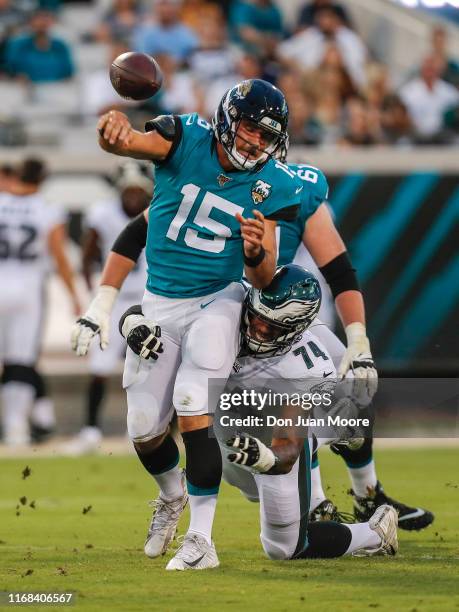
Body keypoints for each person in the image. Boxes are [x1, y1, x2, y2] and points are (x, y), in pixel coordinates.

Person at [71, 78, 302, 570]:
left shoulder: (274, 185)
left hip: (218, 300)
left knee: (193, 402)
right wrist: (114, 137)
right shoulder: (187, 138)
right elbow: (132, 141)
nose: (256, 141)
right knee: (142, 430)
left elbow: (262, 276)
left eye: (267, 134)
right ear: (225, 118)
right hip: (159, 302)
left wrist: (257, 250)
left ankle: (201, 541)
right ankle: (172, 495)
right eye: (249, 128)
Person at [120, 264, 399, 560]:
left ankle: (374, 532)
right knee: (240, 478)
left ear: (295, 329)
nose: (258, 330)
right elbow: (165, 312)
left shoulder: (303, 366)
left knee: (284, 548)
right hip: (231, 431)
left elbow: (287, 449)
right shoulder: (231, 304)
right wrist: (131, 321)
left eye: (271, 327)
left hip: (276, 437)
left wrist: (266, 458)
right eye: (256, 318)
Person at [275, 156, 434, 530]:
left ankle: (367, 495)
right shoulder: (221, 184)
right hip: (252, 325)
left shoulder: (302, 189)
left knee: (355, 390)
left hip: (306, 318)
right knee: (297, 405)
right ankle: (313, 504)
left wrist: (358, 339)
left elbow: (339, 270)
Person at [65, 162, 152, 455]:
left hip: (149, 300)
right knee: (99, 368)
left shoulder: (160, 211)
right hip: (115, 300)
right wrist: (95, 295)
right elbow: (88, 254)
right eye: (127, 190)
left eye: (137, 191)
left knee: (150, 369)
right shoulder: (103, 213)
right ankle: (90, 431)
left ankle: (151, 431)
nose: (132, 196)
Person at [0, 158, 80, 446]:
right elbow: (59, 257)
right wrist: (75, 295)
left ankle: (16, 425)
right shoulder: (48, 210)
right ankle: (15, 427)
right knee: (21, 361)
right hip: (28, 290)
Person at [5, 9, 74, 83]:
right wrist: (15, 78)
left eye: (46, 18)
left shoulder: (61, 46)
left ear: (52, 22)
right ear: (30, 22)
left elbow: (68, 73)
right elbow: (9, 70)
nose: (43, 22)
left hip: (56, 89)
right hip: (24, 90)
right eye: (39, 19)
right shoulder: (18, 45)